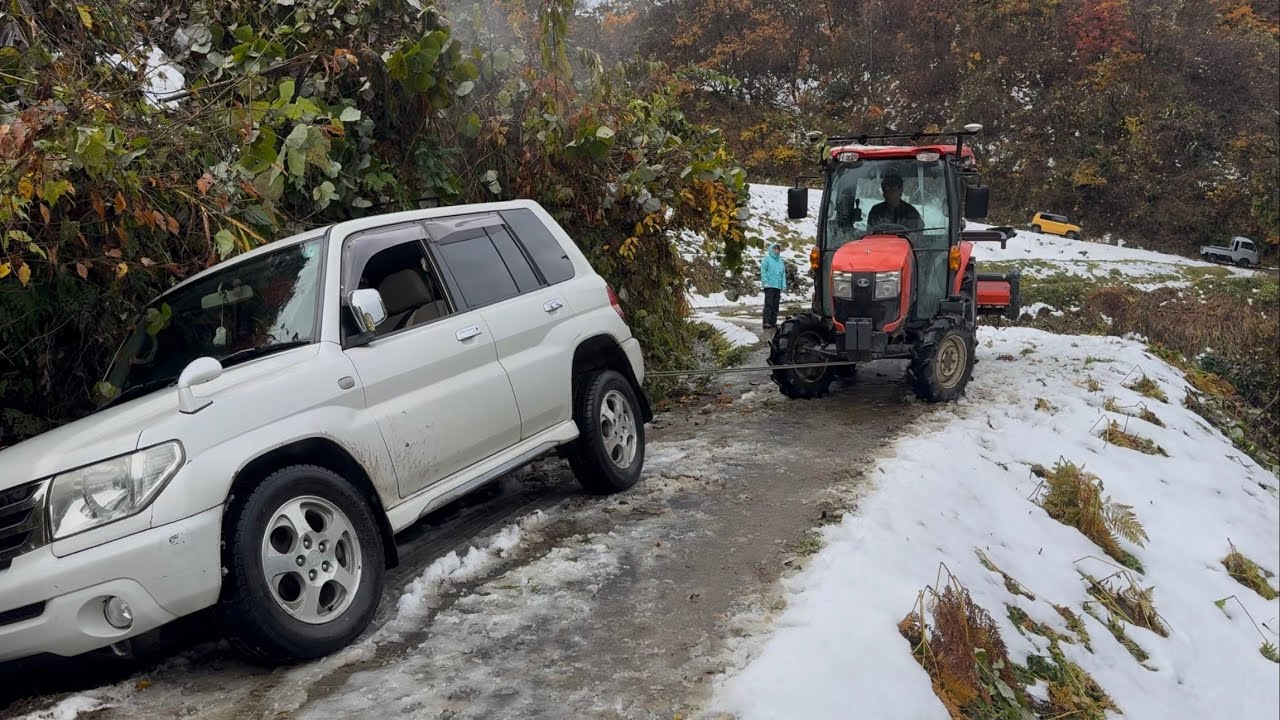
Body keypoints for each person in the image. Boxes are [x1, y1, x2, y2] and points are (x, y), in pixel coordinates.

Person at [760, 242, 785, 330]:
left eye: (778, 249)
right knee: (769, 304)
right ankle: (766, 322)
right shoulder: (766, 259)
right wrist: (765, 281)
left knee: (775, 305)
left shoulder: (780, 261)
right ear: (771, 249)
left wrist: (783, 284)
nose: (776, 251)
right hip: (769, 285)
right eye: (775, 249)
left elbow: (783, 274)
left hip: (777, 286)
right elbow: (763, 271)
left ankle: (773, 322)